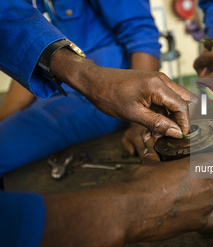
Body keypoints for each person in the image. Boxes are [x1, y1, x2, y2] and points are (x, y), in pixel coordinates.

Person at [0, 1, 213, 247]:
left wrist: (131, 113)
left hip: (100, 93)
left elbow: (140, 34)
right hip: (67, 90)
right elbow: (25, 47)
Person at [0, 0, 161, 173]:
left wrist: (141, 117)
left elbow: (141, 35)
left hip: (100, 98)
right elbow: (31, 55)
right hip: (55, 94)